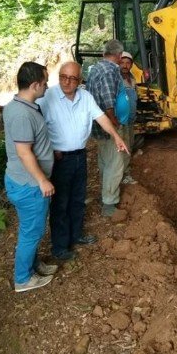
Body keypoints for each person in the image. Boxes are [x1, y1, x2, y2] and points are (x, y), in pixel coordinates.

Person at [37, 61, 128, 261]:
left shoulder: (85, 97)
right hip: (59, 160)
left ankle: (76, 235)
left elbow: (101, 117)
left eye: (72, 78)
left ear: (80, 81)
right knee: (60, 204)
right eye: (63, 76)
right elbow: (35, 124)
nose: (67, 82)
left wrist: (116, 136)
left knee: (77, 199)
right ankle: (60, 247)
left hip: (79, 156)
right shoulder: (47, 97)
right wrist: (49, 150)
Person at [3, 62, 56, 292]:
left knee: (32, 229)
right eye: (45, 82)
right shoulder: (22, 114)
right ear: (35, 85)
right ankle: (23, 279)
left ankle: (33, 266)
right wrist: (42, 180)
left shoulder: (20, 106)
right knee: (31, 232)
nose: (47, 86)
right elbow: (24, 152)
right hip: (29, 184)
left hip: (25, 181)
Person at [85, 39, 128, 217]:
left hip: (98, 126)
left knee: (105, 160)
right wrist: (114, 125)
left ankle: (105, 191)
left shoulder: (95, 68)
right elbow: (109, 102)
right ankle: (109, 203)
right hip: (107, 126)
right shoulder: (110, 70)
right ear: (119, 55)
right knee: (115, 163)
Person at [119, 51, 138, 185]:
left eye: (128, 63)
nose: (125, 65)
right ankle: (123, 175)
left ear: (131, 65)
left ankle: (126, 170)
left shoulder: (132, 79)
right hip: (121, 120)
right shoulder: (116, 80)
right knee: (123, 147)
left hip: (130, 119)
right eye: (122, 62)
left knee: (129, 145)